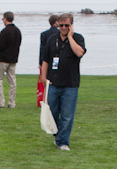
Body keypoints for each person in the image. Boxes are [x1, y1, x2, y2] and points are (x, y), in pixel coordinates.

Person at [40, 12, 85, 151]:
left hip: (70, 84)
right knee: (52, 112)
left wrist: (70, 37)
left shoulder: (78, 38)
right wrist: (43, 75)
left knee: (67, 115)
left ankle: (63, 141)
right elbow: (46, 59)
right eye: (62, 25)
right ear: (58, 25)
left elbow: (79, 53)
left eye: (67, 25)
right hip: (53, 83)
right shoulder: (52, 39)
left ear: (71, 25)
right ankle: (57, 135)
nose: (64, 28)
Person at [0, 11, 21, 108]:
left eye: (3, 19)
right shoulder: (17, 31)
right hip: (13, 59)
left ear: (6, 19)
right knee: (12, 81)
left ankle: (1, 102)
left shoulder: (5, 31)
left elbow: (1, 44)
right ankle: (12, 102)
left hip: (3, 59)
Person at [36, 14, 58, 104]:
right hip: (55, 59)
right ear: (56, 22)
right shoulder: (59, 33)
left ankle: (45, 98)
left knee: (45, 79)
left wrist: (40, 62)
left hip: (45, 59)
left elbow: (42, 49)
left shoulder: (44, 34)